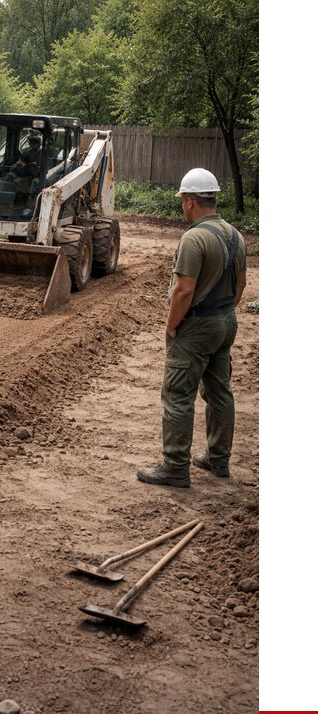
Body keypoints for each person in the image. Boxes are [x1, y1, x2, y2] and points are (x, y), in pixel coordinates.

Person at [137, 168, 247, 488]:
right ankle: (218, 459)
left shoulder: (193, 238)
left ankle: (174, 467)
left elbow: (183, 291)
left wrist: (172, 326)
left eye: (182, 201)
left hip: (196, 326)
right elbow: (241, 285)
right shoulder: (235, 235)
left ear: (188, 201)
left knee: (178, 395)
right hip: (226, 321)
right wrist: (223, 313)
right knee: (219, 392)